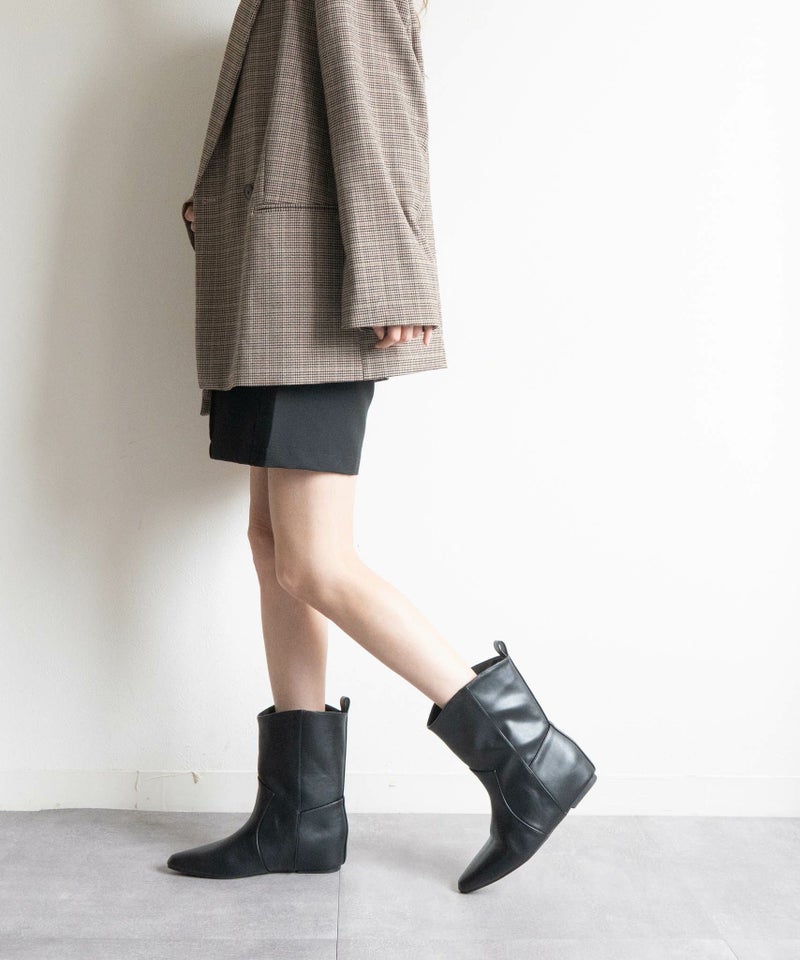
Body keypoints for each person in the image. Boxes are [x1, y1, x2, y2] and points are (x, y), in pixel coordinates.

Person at [167, 0, 596, 894]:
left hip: (313, 292)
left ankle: (531, 761)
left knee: (315, 560)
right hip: (266, 282)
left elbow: (378, 106)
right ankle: (299, 817)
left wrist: (396, 272)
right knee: (273, 545)